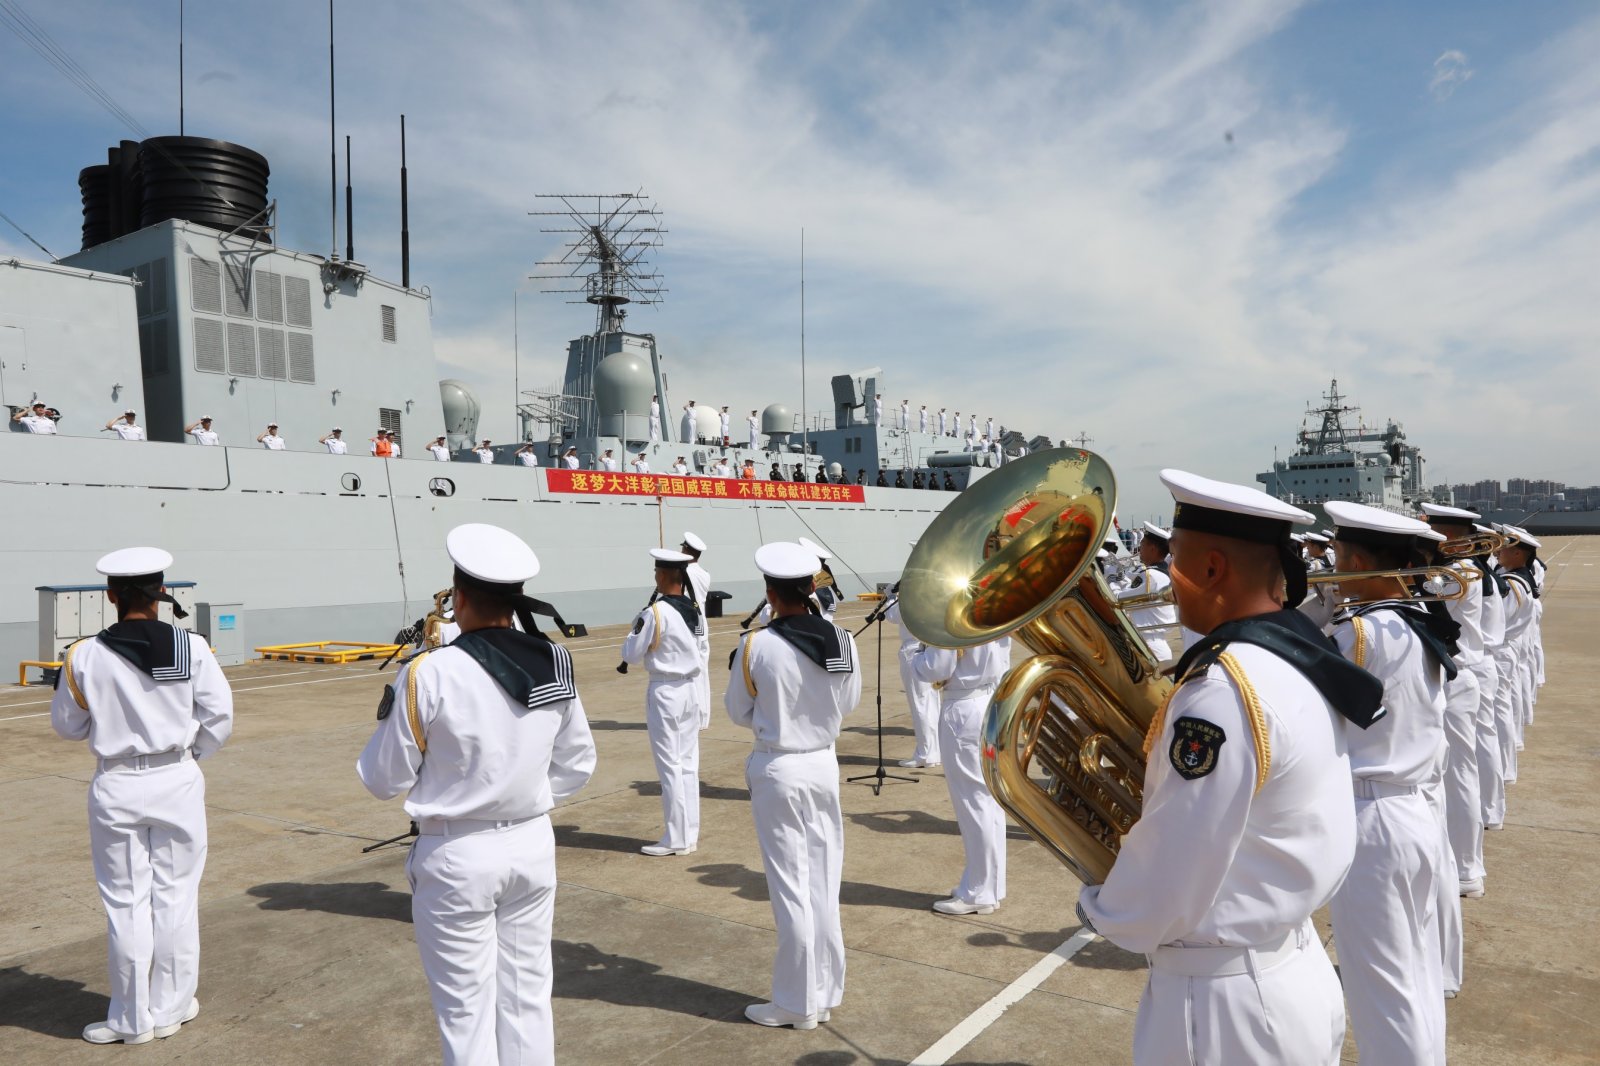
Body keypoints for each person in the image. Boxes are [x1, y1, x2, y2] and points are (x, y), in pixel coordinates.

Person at [1077, 468, 1377, 1066]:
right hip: (1282, 969)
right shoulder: (1298, 656)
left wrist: (1101, 903)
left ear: (1212, 569)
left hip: (1223, 1007)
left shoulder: (1223, 691)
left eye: (1180, 561)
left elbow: (1173, 869)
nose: (1171, 583)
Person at [357, 523, 596, 1065]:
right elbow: (578, 764)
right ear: (513, 605)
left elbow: (381, 778)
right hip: (533, 841)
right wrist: (521, 795)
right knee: (528, 998)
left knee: (466, 1012)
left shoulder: (430, 672)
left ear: (458, 598)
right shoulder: (554, 660)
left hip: (457, 851)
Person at [51, 546, 234, 1045]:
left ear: (110, 596)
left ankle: (131, 1021)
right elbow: (220, 717)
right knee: (176, 896)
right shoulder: (190, 647)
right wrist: (190, 754)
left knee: (126, 902)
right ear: (161, 594)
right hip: (176, 778)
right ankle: (171, 1008)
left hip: (116, 783)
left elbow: (67, 726)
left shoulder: (84, 654)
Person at [1324, 501, 1454, 1063]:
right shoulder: (1414, 623)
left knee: (1382, 991)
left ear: (1357, 560)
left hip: (1372, 819)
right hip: (1413, 811)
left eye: (1338, 555)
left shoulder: (1358, 630)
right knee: (1416, 977)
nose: (1331, 563)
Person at [726, 541, 861, 1029]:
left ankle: (795, 1004)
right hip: (823, 765)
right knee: (824, 883)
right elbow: (849, 703)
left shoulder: (756, 645)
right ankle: (823, 993)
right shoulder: (842, 640)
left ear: (769, 592)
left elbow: (738, 711)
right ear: (811, 587)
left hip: (779, 766)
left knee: (791, 888)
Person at [1420, 503, 1493, 900]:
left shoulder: (1461, 571)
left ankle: (1466, 868)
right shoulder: (1454, 570)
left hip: (1455, 677)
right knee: (1447, 772)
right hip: (1450, 676)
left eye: (1435, 532)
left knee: (1458, 773)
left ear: (1451, 536)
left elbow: (1425, 595)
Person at [914, 630, 1010, 913]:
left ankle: (978, 891)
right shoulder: (990, 605)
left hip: (963, 706)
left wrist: (916, 658)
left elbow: (937, 667)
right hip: (989, 701)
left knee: (973, 802)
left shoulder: (951, 612)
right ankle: (989, 885)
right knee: (988, 800)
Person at [620, 549, 704, 857]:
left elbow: (630, 653)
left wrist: (634, 629)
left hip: (666, 691)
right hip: (690, 691)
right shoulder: (692, 609)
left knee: (670, 766)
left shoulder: (656, 612)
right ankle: (689, 833)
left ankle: (676, 838)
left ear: (662, 576)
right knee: (688, 765)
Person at [885, 575, 939, 769]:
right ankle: (934, 751)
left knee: (919, 703)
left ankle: (924, 754)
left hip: (912, 650)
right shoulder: (932, 593)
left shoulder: (914, 596)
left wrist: (890, 597)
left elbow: (893, 616)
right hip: (929, 647)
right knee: (931, 702)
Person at [1116, 522, 1177, 662]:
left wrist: (1112, 580)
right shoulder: (1156, 573)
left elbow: (1119, 599)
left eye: (1142, 544)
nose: (1140, 549)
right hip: (1152, 642)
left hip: (1149, 645)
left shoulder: (1151, 575)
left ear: (1152, 549)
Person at [682, 532, 713, 729]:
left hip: (689, 622)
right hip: (702, 621)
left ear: (686, 550)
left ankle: (693, 716)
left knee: (690, 670)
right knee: (703, 670)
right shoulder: (704, 574)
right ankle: (703, 717)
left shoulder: (684, 572)